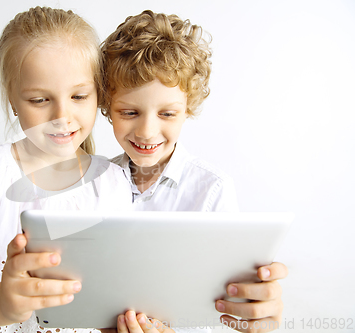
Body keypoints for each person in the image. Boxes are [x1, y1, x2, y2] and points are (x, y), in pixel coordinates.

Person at [0, 7, 131, 333]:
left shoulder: (111, 183)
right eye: (40, 100)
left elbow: (115, 293)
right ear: (13, 100)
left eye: (78, 95)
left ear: (97, 93)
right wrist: (2, 303)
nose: (62, 115)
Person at [100, 10, 288, 333]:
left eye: (167, 113)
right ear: (106, 105)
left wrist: (254, 309)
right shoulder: (95, 181)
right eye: (129, 111)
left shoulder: (211, 190)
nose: (146, 131)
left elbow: (227, 305)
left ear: (188, 109)